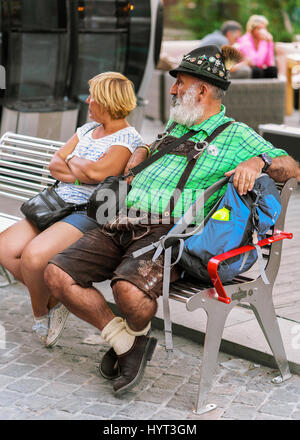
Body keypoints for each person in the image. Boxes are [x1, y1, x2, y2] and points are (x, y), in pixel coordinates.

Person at [44, 45, 300, 396]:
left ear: (203, 90)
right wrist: (141, 150)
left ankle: (130, 336)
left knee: (129, 293)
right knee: (56, 275)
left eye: (179, 83)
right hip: (121, 220)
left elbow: (292, 166)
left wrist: (258, 162)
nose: (173, 90)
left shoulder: (236, 134)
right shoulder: (179, 121)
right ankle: (127, 342)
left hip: (170, 231)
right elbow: (155, 148)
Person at [0, 71, 143, 347]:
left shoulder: (128, 140)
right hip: (56, 202)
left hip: (86, 211)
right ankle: (56, 298)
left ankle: (41, 313)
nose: (88, 101)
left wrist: (77, 163)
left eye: (93, 97)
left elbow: (100, 172)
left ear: (108, 101)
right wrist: (81, 172)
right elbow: (55, 163)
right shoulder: (87, 130)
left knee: (33, 257)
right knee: (4, 248)